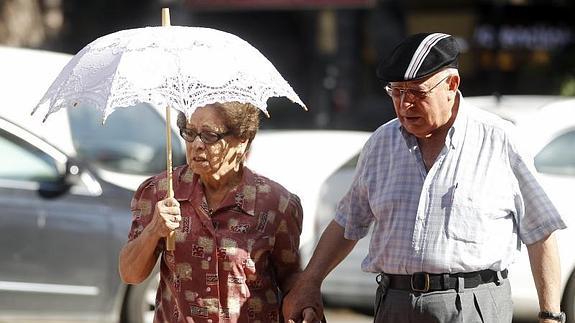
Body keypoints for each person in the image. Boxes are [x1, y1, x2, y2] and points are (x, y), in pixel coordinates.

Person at [283, 32, 567, 323]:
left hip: (471, 305)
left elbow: (541, 230)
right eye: (396, 92)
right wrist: (310, 282)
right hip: (394, 302)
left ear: (452, 85)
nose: (405, 105)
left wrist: (550, 315)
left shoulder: (499, 139)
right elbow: (347, 221)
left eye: (418, 92)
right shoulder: (382, 143)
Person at [119, 101, 307, 323]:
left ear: (242, 141)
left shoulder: (276, 204)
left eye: (209, 136)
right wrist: (153, 231)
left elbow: (291, 277)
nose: (196, 144)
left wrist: (305, 304)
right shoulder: (162, 192)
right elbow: (130, 273)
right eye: (189, 133)